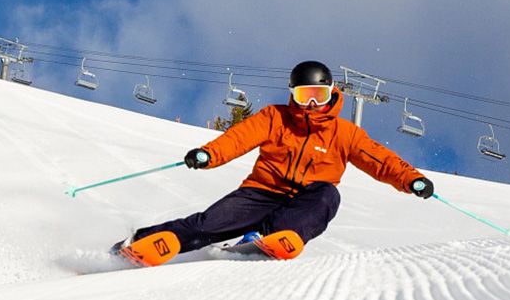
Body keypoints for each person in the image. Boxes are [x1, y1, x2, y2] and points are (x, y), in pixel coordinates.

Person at [117, 60, 434, 266]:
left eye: (318, 95)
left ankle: (268, 237)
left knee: (328, 195)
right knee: (206, 225)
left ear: (331, 94)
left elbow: (378, 159)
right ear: (292, 93)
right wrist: (208, 154)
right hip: (260, 192)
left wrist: (411, 179)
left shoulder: (344, 132)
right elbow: (238, 138)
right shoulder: (275, 117)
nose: (311, 103)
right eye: (305, 94)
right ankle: (138, 243)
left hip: (305, 200)